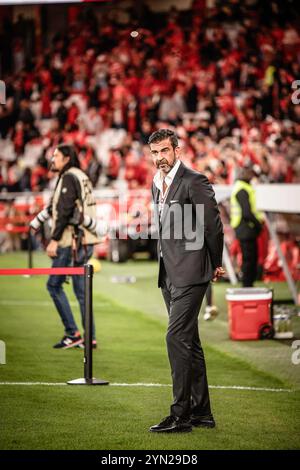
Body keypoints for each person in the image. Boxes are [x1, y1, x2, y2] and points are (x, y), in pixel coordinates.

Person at [148, 129, 224, 433]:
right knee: (189, 343)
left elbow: (213, 225)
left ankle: (180, 415)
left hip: (192, 271)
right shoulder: (156, 183)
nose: (159, 158)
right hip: (169, 272)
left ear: (177, 150)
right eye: (154, 153)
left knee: (175, 338)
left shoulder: (194, 180)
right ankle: (202, 413)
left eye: (164, 151)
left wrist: (216, 262)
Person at [30, 144, 99, 349]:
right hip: (86, 240)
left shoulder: (69, 176)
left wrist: (54, 239)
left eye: (56, 156)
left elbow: (66, 209)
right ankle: (90, 337)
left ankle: (73, 333)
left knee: (53, 285)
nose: (52, 159)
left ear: (67, 158)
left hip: (72, 241)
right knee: (81, 291)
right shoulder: (80, 175)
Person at [230, 167, 263, 287]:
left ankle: (248, 285)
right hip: (245, 228)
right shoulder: (242, 189)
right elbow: (247, 213)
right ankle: (247, 285)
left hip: (245, 228)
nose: (252, 176)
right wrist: (258, 225)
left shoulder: (242, 188)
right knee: (249, 259)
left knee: (250, 258)